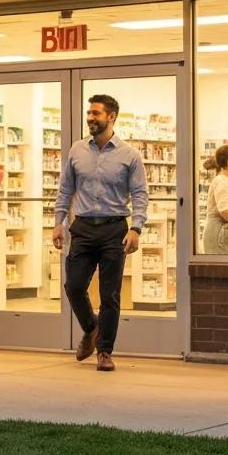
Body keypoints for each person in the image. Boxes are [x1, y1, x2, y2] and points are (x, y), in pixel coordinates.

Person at [51, 94, 148, 373]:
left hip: (113, 229)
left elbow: (140, 195)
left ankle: (105, 351)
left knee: (110, 295)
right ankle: (91, 328)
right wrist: (58, 222)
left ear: (112, 117)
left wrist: (136, 228)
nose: (90, 118)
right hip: (82, 226)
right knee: (74, 286)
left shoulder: (129, 155)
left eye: (96, 113)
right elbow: (65, 189)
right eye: (89, 113)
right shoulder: (77, 150)